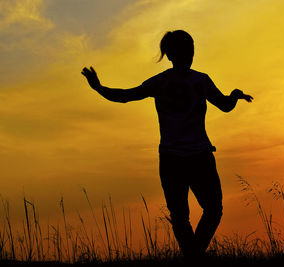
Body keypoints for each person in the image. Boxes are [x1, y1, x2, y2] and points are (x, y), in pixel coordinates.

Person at [81, 30, 253, 259]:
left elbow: (124, 96)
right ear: (171, 55)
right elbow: (225, 105)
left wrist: (99, 88)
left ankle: (193, 257)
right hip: (192, 158)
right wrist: (234, 96)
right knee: (205, 212)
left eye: (191, 49)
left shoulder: (170, 82)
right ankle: (194, 258)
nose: (189, 54)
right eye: (186, 50)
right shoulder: (195, 81)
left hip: (179, 159)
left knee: (189, 215)